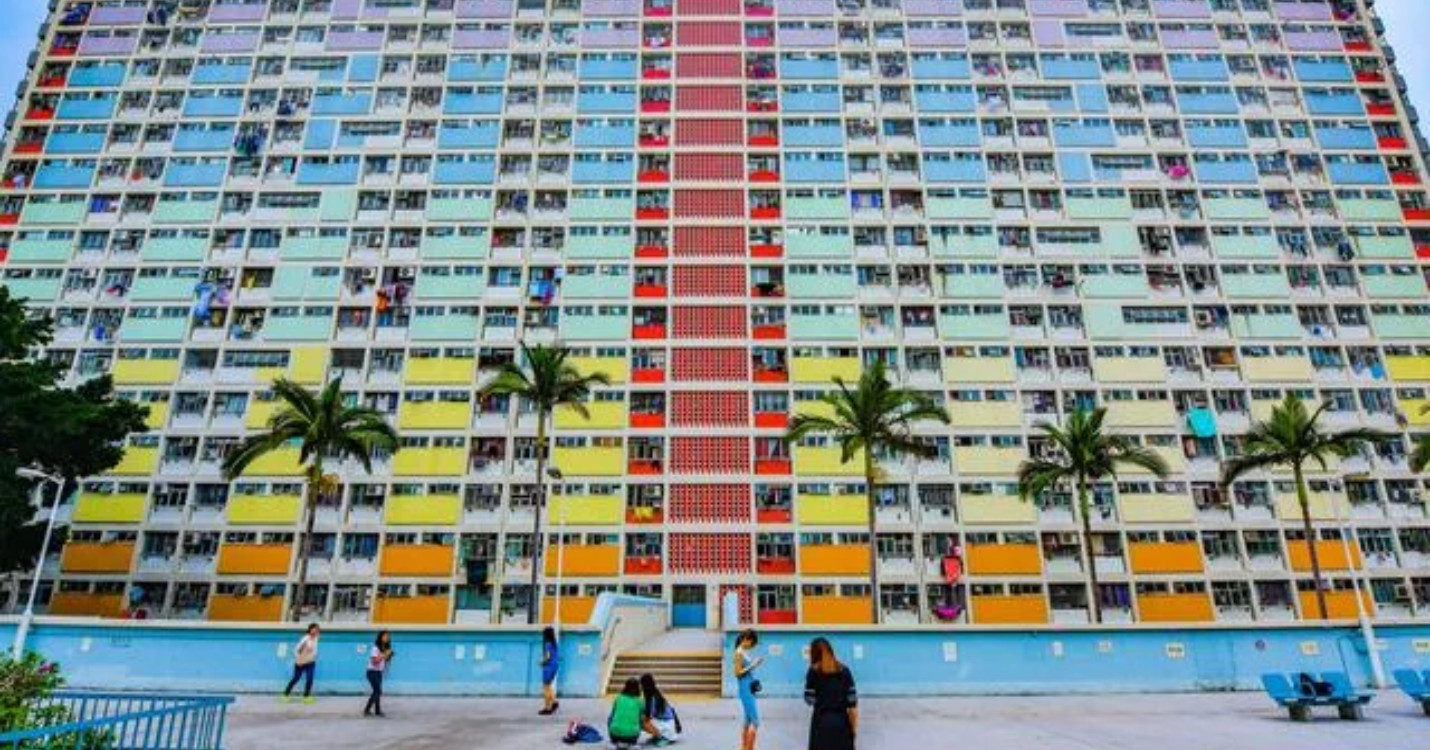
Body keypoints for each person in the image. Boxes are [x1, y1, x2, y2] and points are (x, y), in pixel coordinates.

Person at [804, 638, 858, 750]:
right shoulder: (845, 670)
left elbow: (809, 700)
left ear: (813, 653)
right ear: (831, 650)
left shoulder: (813, 671)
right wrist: (853, 730)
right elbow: (853, 705)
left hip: (821, 723)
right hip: (842, 723)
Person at [733, 629, 764, 750]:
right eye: (752, 643)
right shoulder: (739, 653)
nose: (752, 646)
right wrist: (753, 665)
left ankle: (744, 747)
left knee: (747, 720)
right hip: (745, 689)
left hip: (749, 688)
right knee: (755, 721)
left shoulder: (743, 652)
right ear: (747, 639)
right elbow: (737, 672)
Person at [282, 623, 320, 703]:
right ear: (310, 629)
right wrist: (298, 659)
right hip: (301, 662)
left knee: (310, 679)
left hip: (311, 662)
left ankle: (306, 697)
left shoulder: (316, 638)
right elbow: (296, 649)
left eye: (317, 629)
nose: (315, 630)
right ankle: (285, 694)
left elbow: (314, 649)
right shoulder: (305, 638)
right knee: (296, 678)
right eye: (314, 629)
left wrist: (315, 656)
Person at [639, 673, 681, 746]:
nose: (640, 687)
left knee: (642, 721)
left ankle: (662, 737)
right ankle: (659, 735)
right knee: (642, 719)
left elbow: (648, 717)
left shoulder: (652, 698)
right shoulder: (655, 693)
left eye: (641, 685)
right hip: (667, 724)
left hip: (668, 727)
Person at [363, 630, 394, 717]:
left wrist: (389, 655)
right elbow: (374, 661)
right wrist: (384, 655)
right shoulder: (375, 648)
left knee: (377, 692)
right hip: (372, 672)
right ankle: (367, 709)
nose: (387, 638)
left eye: (388, 636)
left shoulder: (385, 648)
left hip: (379, 672)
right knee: (378, 691)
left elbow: (385, 661)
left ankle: (377, 710)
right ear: (380, 637)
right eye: (384, 636)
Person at [607, 677, 644, 749]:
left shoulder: (618, 698)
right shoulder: (640, 701)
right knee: (640, 719)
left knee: (610, 717)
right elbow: (641, 717)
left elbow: (613, 714)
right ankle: (631, 744)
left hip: (615, 734)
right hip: (632, 736)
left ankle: (614, 742)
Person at [539, 626, 561, 715]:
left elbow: (548, 656)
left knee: (546, 687)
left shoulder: (547, 643)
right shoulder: (554, 644)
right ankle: (554, 702)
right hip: (555, 665)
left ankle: (547, 708)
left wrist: (542, 662)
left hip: (549, 666)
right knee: (549, 686)